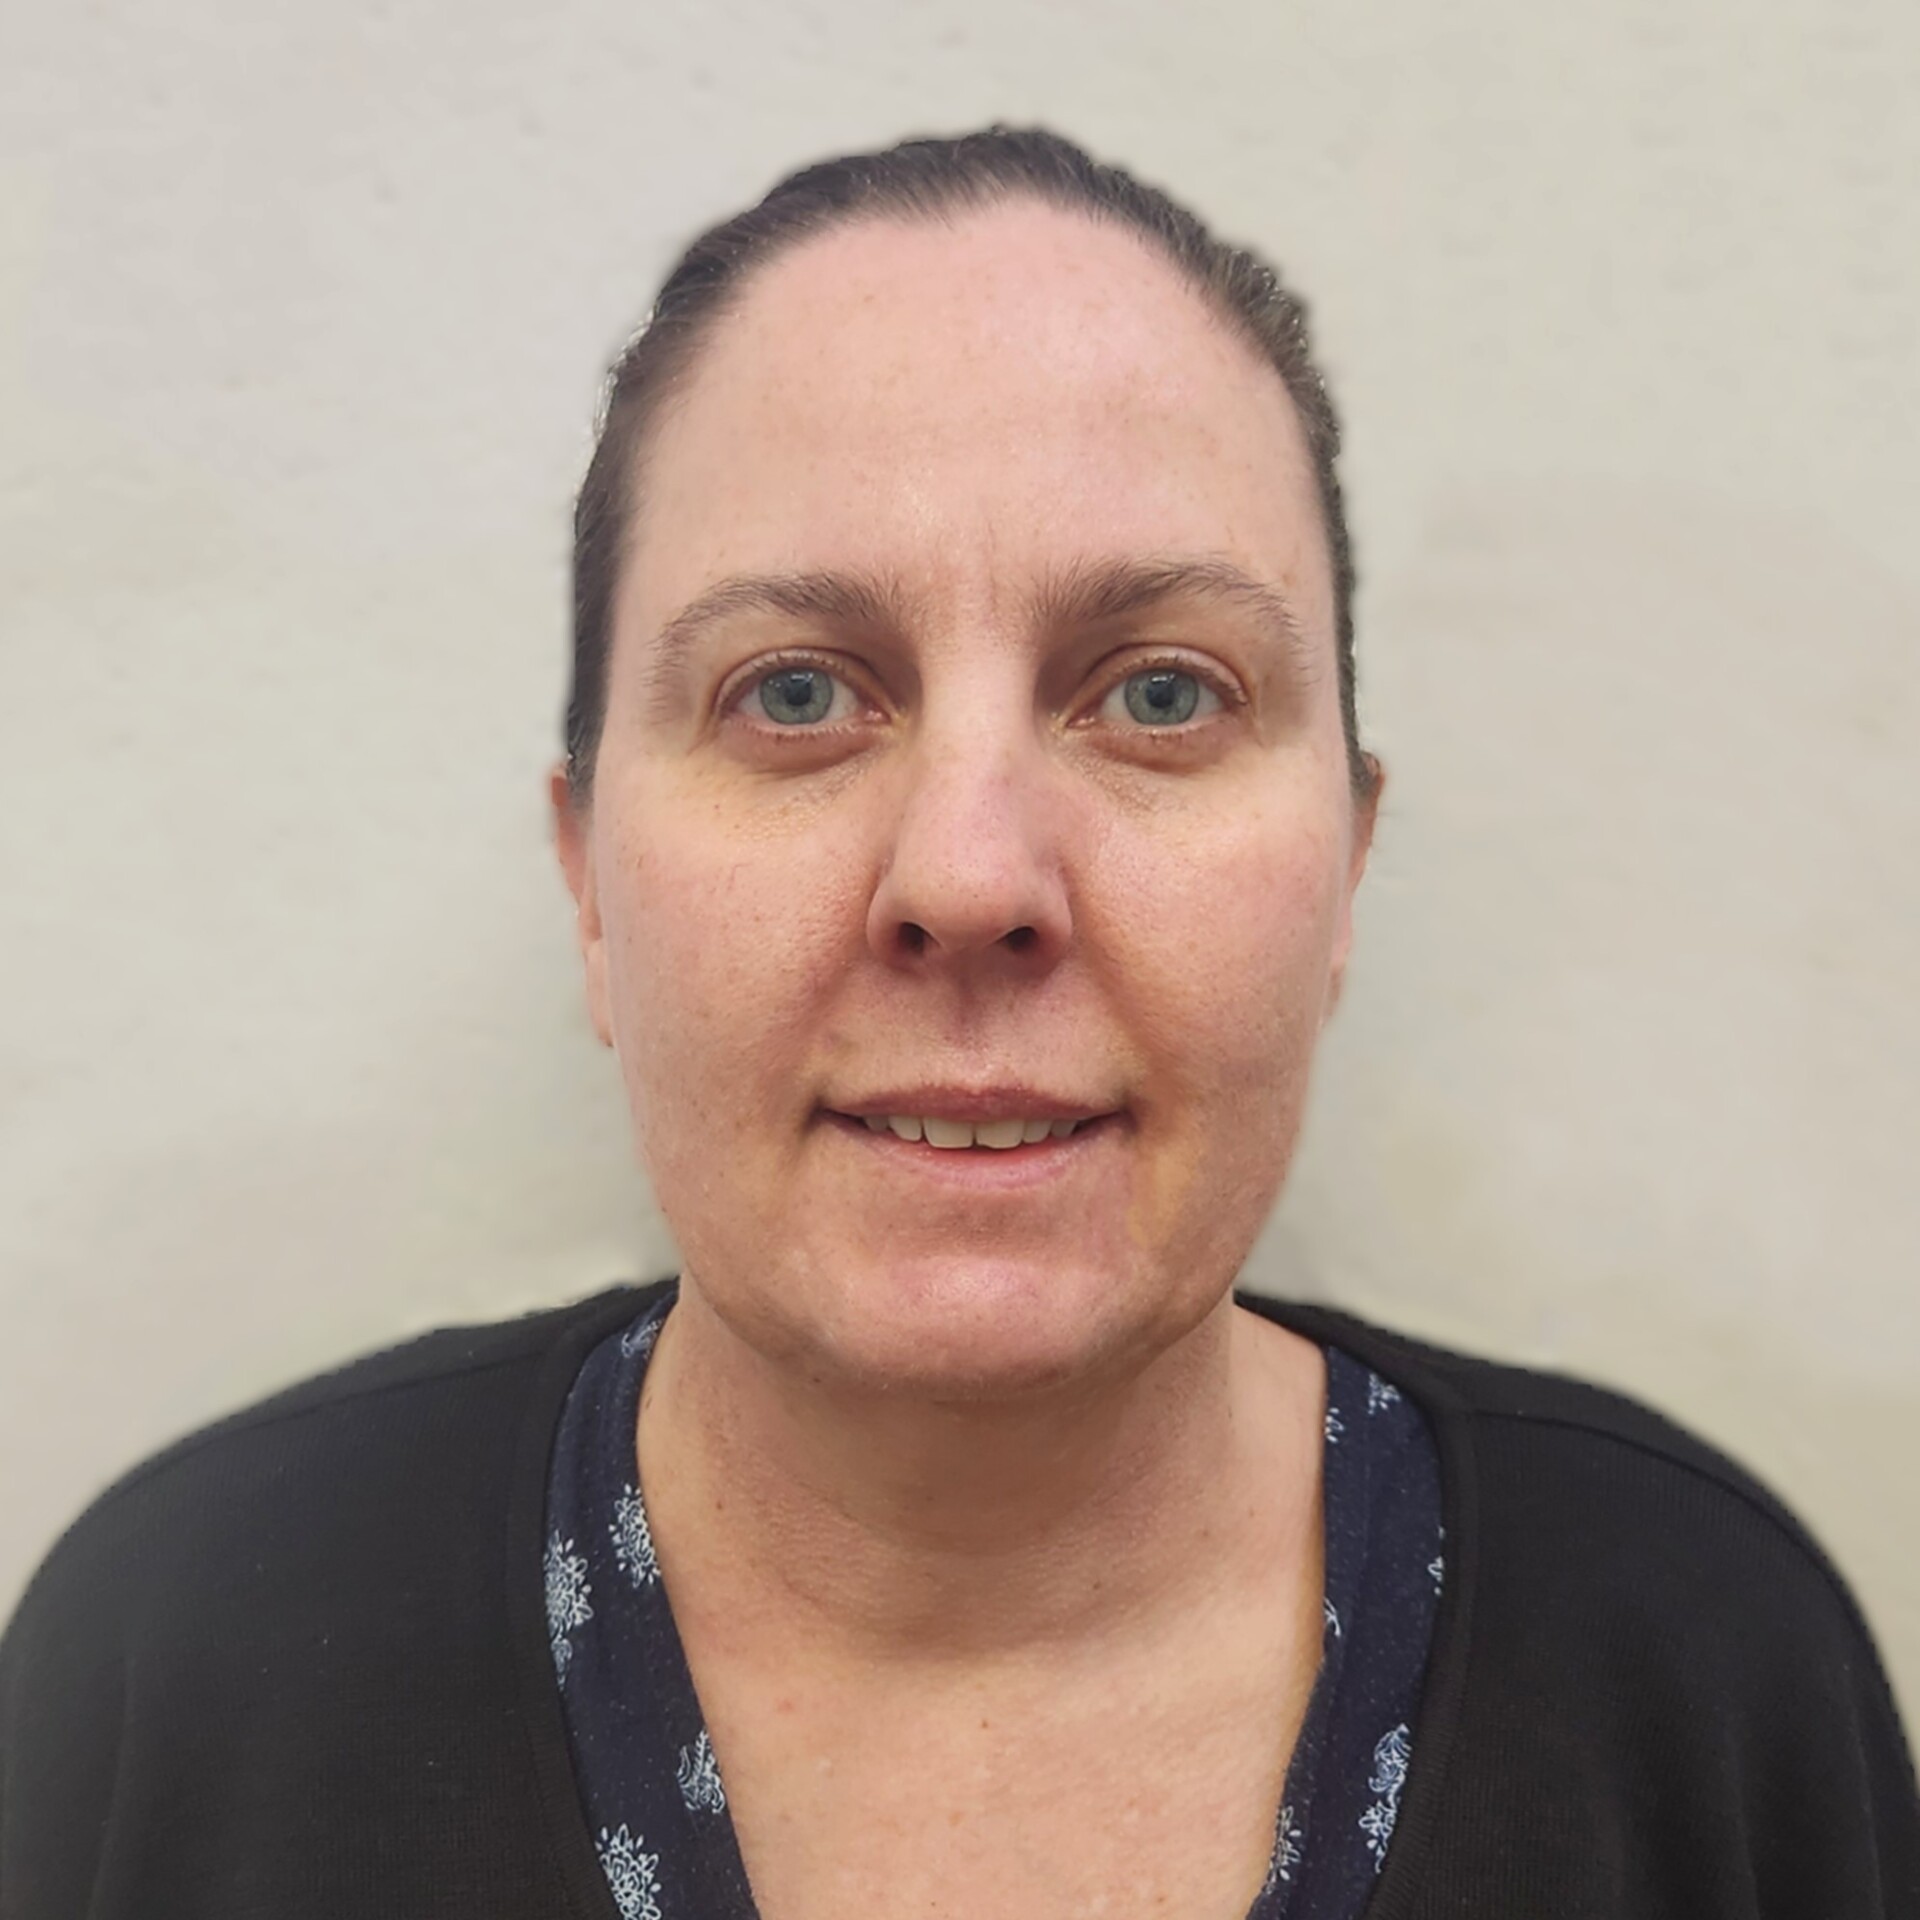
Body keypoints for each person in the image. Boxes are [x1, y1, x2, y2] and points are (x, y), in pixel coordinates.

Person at [1, 125, 1915, 1920]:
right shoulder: (179, 1672)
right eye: (795, 693)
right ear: (591, 890)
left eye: (1162, 694)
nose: (973, 876)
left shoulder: (1700, 1673)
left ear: (1346, 866)